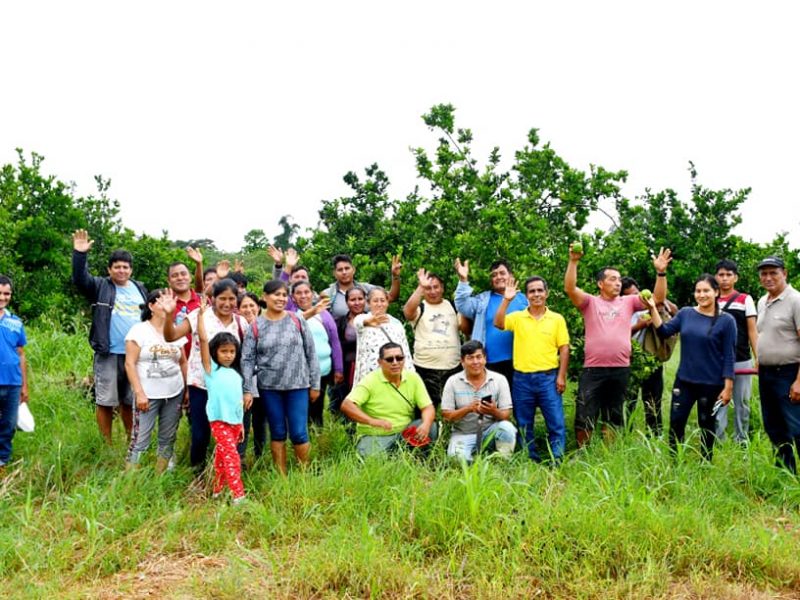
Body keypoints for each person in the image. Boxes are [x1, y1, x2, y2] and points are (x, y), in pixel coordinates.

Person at [564, 244, 670, 446]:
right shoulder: (590, 302)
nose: (618, 283)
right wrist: (574, 261)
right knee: (585, 412)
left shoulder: (628, 302)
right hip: (593, 369)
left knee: (613, 414)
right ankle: (582, 452)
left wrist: (661, 272)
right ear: (600, 284)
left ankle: (608, 452)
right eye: (612, 279)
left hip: (620, 368)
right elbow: (570, 288)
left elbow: (657, 299)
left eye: (619, 279)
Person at [644, 274, 736, 460]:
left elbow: (729, 356)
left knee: (707, 424)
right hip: (684, 381)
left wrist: (728, 387)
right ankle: (674, 461)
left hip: (711, 384)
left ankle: (706, 462)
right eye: (698, 291)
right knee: (676, 422)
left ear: (716, 292)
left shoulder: (727, 321)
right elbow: (664, 331)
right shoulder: (686, 313)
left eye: (706, 291)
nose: (701, 295)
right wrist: (653, 308)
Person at [162, 279, 248, 471]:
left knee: (230, 431)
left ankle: (228, 472)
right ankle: (198, 472)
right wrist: (169, 315)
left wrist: (246, 389)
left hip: (229, 389)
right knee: (200, 433)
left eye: (232, 299)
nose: (227, 303)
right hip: (201, 384)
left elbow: (246, 358)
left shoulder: (241, 323)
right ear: (213, 299)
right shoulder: (198, 316)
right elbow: (171, 336)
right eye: (222, 299)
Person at [72, 229, 147, 444]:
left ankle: (131, 442)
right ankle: (106, 444)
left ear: (131, 270)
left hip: (134, 355)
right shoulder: (100, 286)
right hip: (108, 352)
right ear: (109, 269)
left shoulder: (140, 288)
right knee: (105, 400)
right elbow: (79, 279)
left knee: (129, 400)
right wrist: (80, 255)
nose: (121, 270)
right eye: (117, 267)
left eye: (125, 267)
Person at [241, 280, 320, 476]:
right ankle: (281, 477)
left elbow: (311, 352)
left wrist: (315, 384)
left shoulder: (297, 320)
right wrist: (247, 389)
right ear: (265, 296)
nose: (281, 298)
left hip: (298, 386)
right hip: (269, 388)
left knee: (299, 432)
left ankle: (304, 475)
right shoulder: (255, 326)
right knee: (277, 432)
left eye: (284, 295)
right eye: (276, 294)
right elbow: (247, 359)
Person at [495, 276, 569, 462]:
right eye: (532, 291)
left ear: (546, 293)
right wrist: (506, 299)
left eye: (539, 290)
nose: (536, 294)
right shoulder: (518, 317)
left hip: (548, 378)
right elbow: (498, 323)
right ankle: (530, 460)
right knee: (524, 424)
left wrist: (561, 376)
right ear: (526, 295)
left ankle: (557, 460)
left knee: (556, 423)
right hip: (522, 380)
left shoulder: (556, 319)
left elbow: (564, 348)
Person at [124, 289, 187, 471]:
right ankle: (129, 482)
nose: (167, 305)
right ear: (151, 306)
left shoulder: (175, 330)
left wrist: (186, 390)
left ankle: (160, 477)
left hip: (174, 393)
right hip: (147, 395)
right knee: (140, 439)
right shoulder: (139, 330)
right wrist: (139, 393)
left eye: (170, 301)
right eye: (161, 301)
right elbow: (130, 363)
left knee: (168, 437)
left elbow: (182, 362)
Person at [341, 342, 438, 457]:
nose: (395, 363)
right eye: (389, 359)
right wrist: (372, 421)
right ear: (380, 362)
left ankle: (419, 459)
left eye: (399, 358)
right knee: (370, 458)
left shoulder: (413, 378)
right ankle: (396, 455)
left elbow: (427, 407)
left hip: (405, 432)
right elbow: (347, 405)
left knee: (430, 426)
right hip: (376, 435)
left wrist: (426, 424)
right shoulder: (370, 380)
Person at [195, 297, 247, 503]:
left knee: (221, 458)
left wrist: (241, 423)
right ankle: (238, 495)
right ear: (216, 352)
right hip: (219, 422)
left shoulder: (236, 374)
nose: (228, 355)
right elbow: (203, 339)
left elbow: (237, 402)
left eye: (232, 351)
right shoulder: (211, 370)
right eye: (223, 351)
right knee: (232, 458)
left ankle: (218, 489)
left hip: (235, 424)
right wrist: (200, 316)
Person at [754, 256, 800, 472]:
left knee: (797, 427)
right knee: (774, 426)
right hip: (766, 373)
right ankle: (786, 474)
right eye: (764, 273)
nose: (768, 277)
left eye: (773, 272)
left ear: (785, 273)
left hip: (789, 373)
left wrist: (799, 381)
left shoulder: (795, 300)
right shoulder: (763, 301)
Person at [454, 258, 527, 385]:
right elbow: (462, 304)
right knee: (490, 403)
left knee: (515, 403)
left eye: (502, 273)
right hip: (489, 362)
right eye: (494, 275)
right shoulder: (483, 300)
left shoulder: (524, 300)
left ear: (511, 276)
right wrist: (463, 280)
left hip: (518, 362)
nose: (498, 277)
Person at [621, 277, 678, 437]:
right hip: (629, 360)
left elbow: (675, 314)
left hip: (651, 360)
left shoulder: (648, 306)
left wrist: (662, 300)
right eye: (629, 295)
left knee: (653, 401)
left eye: (636, 293)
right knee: (629, 400)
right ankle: (625, 433)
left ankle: (655, 435)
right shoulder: (622, 312)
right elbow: (617, 335)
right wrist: (639, 325)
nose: (635, 297)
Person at [441, 341, 516, 461]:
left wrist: (493, 411)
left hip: (490, 432)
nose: (475, 362)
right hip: (463, 434)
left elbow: (506, 416)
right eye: (470, 358)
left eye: (479, 357)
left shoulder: (499, 380)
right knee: (457, 459)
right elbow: (447, 416)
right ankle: (477, 461)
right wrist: (468, 409)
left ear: (485, 359)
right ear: (462, 362)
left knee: (507, 428)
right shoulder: (453, 381)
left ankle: (502, 461)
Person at [714, 259, 759, 443]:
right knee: (719, 401)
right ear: (715, 277)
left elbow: (752, 330)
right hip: (716, 359)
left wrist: (759, 357)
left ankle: (741, 440)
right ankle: (719, 439)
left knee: (742, 402)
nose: (724, 279)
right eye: (721, 275)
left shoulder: (745, 299)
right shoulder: (710, 298)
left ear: (735, 278)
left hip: (741, 358)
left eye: (728, 275)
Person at [402, 268, 461, 408]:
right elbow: (407, 312)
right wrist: (420, 287)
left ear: (442, 288)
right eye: (428, 288)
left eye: (436, 287)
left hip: (452, 367)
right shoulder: (420, 307)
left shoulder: (452, 305)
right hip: (425, 368)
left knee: (453, 408)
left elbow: (464, 327)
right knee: (426, 408)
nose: (433, 291)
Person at [291, 280, 344, 426]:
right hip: (299, 373)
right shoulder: (290, 315)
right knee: (301, 408)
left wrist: (338, 368)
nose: (303, 296)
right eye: (299, 293)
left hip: (323, 370)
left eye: (306, 292)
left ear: (312, 294)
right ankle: (301, 438)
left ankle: (318, 436)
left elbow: (334, 341)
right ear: (293, 297)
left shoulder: (324, 315)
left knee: (317, 407)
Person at [353, 287, 414, 385]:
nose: (379, 304)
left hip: (394, 371)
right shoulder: (362, 318)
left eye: (382, 300)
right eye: (375, 301)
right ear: (368, 303)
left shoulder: (396, 323)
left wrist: (410, 372)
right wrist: (368, 322)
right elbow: (357, 323)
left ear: (387, 302)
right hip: (370, 373)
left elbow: (405, 350)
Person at [0, 276, 28, 471]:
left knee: (8, 425)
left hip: (12, 382)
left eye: (6, 293)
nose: (2, 297)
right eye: (0, 293)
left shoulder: (15, 322)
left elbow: (21, 354)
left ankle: (2, 461)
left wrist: (24, 385)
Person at [236, 292, 267, 464]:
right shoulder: (236, 328)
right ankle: (239, 460)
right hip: (244, 385)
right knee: (243, 423)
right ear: (238, 310)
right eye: (244, 306)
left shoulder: (266, 325)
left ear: (259, 307)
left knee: (261, 423)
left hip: (263, 383)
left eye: (251, 305)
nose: (248, 309)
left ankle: (260, 458)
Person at [323, 253, 402, 319]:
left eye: (347, 268)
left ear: (353, 270)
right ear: (334, 273)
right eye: (340, 270)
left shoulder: (367, 289)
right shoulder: (328, 294)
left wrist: (395, 276)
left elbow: (392, 297)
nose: (344, 272)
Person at [330, 286, 367, 415]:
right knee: (343, 404)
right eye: (353, 299)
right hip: (346, 369)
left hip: (367, 369)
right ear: (347, 302)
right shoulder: (339, 323)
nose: (357, 303)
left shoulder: (373, 320)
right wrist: (337, 370)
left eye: (360, 299)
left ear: (365, 300)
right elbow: (335, 347)